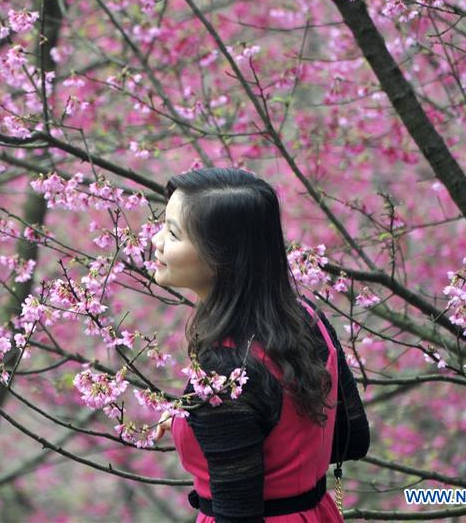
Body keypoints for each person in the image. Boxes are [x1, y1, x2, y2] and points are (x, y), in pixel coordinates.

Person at [150, 167, 370, 522]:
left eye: (173, 234)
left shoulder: (223, 373)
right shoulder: (306, 319)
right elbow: (352, 437)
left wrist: (219, 419)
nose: (156, 241)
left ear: (222, 256)